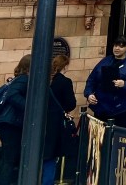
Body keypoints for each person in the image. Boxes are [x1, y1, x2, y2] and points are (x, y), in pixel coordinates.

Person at [84, 35, 126, 127]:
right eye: (115, 45)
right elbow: (92, 79)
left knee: (118, 137)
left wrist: (125, 84)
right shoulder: (105, 61)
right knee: (100, 138)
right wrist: (89, 94)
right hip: (102, 107)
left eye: (121, 46)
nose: (117, 48)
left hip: (122, 109)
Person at [0, 54, 31, 185]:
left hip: (6, 124)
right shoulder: (23, 79)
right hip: (10, 125)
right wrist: (29, 107)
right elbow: (13, 95)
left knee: (7, 160)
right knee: (9, 161)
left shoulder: (17, 79)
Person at [43, 54, 78, 185]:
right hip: (56, 124)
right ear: (66, 66)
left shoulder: (45, 80)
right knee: (51, 156)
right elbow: (71, 104)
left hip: (41, 122)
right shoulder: (65, 81)